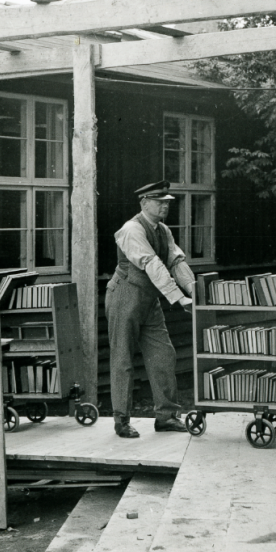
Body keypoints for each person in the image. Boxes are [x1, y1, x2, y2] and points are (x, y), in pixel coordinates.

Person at [106, 180, 196, 438]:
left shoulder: (163, 230)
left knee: (164, 355)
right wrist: (179, 299)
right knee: (123, 359)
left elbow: (175, 261)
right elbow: (151, 263)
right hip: (124, 295)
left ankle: (167, 416)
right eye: (159, 202)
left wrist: (195, 291)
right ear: (144, 202)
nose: (165, 206)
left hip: (149, 300)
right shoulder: (131, 230)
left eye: (167, 203)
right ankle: (121, 420)